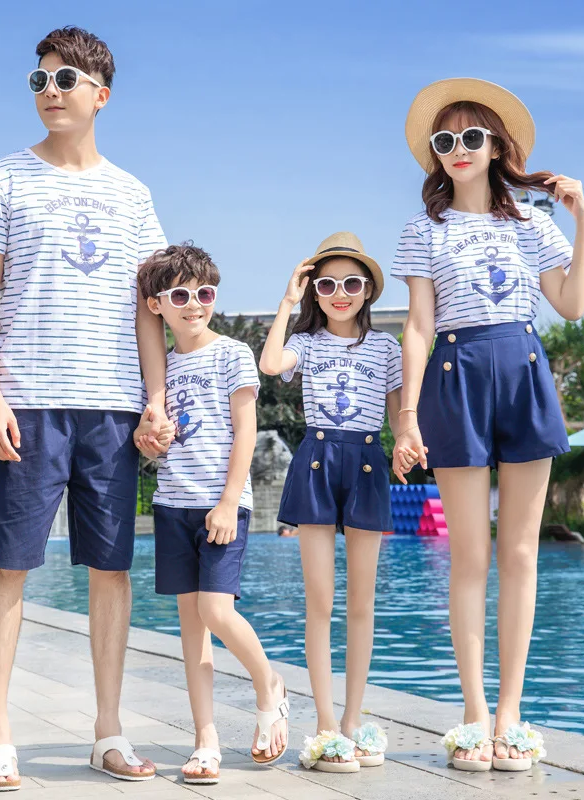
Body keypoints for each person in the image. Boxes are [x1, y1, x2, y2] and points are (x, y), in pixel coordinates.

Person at [0, 26, 171, 791]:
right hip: (30, 403)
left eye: (66, 80)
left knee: (110, 571)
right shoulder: (4, 178)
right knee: (8, 569)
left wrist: (155, 400)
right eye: (39, 80)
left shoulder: (133, 195)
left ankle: (108, 733)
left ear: (100, 95)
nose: (50, 90)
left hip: (113, 408)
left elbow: (149, 312)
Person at [392, 78, 584, 772]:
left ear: (498, 146)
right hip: (454, 378)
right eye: (444, 141)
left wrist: (581, 218)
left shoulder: (533, 225)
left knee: (523, 554)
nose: (457, 150)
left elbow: (568, 302)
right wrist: (408, 414)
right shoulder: (424, 228)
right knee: (469, 557)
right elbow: (418, 325)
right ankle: (474, 712)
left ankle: (511, 710)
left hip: (523, 368)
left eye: (471, 137)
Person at [133, 243, 289, 786]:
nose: (194, 304)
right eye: (180, 295)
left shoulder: (233, 354)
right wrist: (148, 441)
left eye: (204, 293)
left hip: (221, 506)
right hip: (172, 505)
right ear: (158, 305)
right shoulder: (158, 368)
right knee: (192, 630)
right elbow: (147, 435)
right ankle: (205, 740)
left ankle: (268, 685)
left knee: (217, 612)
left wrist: (228, 502)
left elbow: (246, 431)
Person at [260, 233, 399, 773]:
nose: (340, 293)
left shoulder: (386, 349)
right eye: (327, 284)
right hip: (316, 460)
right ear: (314, 291)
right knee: (321, 602)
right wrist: (287, 302)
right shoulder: (308, 342)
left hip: (366, 461)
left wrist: (411, 442)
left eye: (351, 283)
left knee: (361, 602)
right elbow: (271, 364)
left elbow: (397, 413)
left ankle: (352, 719)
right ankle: (322, 721)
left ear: (368, 290)